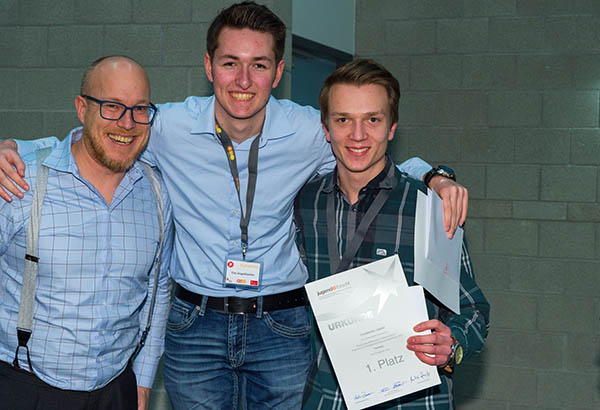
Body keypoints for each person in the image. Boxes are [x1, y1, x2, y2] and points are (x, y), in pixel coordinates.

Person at [0, 3, 467, 409]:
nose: (243, 81)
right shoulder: (167, 126)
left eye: (259, 65)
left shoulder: (310, 130)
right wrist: (17, 147)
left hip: (282, 326)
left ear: (279, 72)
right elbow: (97, 134)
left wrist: (434, 176)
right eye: (230, 63)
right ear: (208, 66)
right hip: (193, 326)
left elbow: (368, 150)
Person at [294, 59, 490, 409]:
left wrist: (453, 344)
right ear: (326, 128)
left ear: (392, 127)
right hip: (326, 399)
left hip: (411, 401)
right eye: (343, 120)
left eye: (372, 119)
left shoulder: (429, 207)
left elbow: (473, 309)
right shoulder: (305, 203)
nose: (357, 135)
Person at [0, 56, 173, 410]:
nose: (127, 123)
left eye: (140, 109)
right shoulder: (21, 182)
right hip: (25, 388)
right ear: (82, 108)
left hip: (117, 390)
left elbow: (159, 291)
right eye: (112, 106)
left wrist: (142, 381)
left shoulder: (156, 193)